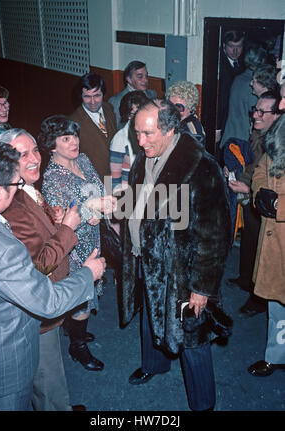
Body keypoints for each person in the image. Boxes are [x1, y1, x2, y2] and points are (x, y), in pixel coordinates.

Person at [120, 99, 231, 411]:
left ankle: (203, 403)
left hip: (183, 271)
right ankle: (154, 364)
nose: (140, 142)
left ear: (169, 129)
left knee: (191, 336)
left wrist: (202, 288)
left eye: (147, 134)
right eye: (136, 133)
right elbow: (139, 202)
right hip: (147, 258)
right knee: (149, 315)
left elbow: (214, 236)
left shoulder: (200, 165)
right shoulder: (146, 156)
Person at [0, 144, 105, 411]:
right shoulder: (0, 249)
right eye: (14, 182)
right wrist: (89, 274)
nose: (19, 187)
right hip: (3, 362)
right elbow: (47, 301)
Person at [0, 128, 83, 411]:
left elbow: (38, 235)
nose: (35, 158)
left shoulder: (26, 188)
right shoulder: (11, 206)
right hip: (35, 315)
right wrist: (68, 229)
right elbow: (38, 264)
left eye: (35, 149)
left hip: (46, 305)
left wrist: (54, 221)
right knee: (48, 385)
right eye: (23, 155)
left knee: (53, 373)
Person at [38, 115, 116, 373]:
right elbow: (62, 224)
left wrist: (99, 211)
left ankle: (76, 331)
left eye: (75, 136)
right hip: (72, 246)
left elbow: (98, 191)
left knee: (87, 293)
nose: (74, 142)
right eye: (66, 139)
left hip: (91, 238)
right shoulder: (52, 177)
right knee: (81, 298)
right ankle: (78, 346)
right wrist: (89, 211)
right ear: (52, 145)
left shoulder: (82, 160)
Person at [226, 91, 281, 317]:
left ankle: (258, 299)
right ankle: (246, 279)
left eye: (261, 111)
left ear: (278, 115)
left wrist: (248, 190)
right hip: (256, 200)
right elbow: (255, 169)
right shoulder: (261, 135)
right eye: (255, 110)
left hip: (270, 211)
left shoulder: (278, 142)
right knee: (249, 241)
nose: (255, 115)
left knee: (263, 251)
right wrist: (240, 179)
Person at [248, 112, 285, 377]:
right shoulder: (279, 131)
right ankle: (275, 355)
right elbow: (260, 169)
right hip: (274, 239)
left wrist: (278, 205)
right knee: (277, 303)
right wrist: (262, 193)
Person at [69, 73, 117, 182]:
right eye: (87, 96)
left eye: (97, 95)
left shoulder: (109, 108)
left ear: (103, 94)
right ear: (80, 96)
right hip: (93, 182)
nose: (93, 102)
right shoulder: (73, 121)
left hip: (115, 176)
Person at [219, 44, 268, 150]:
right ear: (262, 62)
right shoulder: (254, 85)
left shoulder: (238, 79)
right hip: (242, 140)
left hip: (230, 136)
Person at [110, 90, 149, 192]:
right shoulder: (120, 139)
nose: (137, 119)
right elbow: (115, 178)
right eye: (133, 114)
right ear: (127, 115)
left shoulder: (148, 135)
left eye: (140, 113)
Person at [109, 61, 157, 130]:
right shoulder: (116, 100)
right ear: (129, 79)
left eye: (146, 76)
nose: (145, 80)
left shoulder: (152, 95)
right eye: (140, 77)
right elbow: (114, 128)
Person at [216, 30, 245, 140]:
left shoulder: (243, 62)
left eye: (239, 46)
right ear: (224, 45)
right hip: (222, 121)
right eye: (231, 46)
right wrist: (217, 127)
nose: (235, 51)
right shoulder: (218, 65)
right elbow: (220, 100)